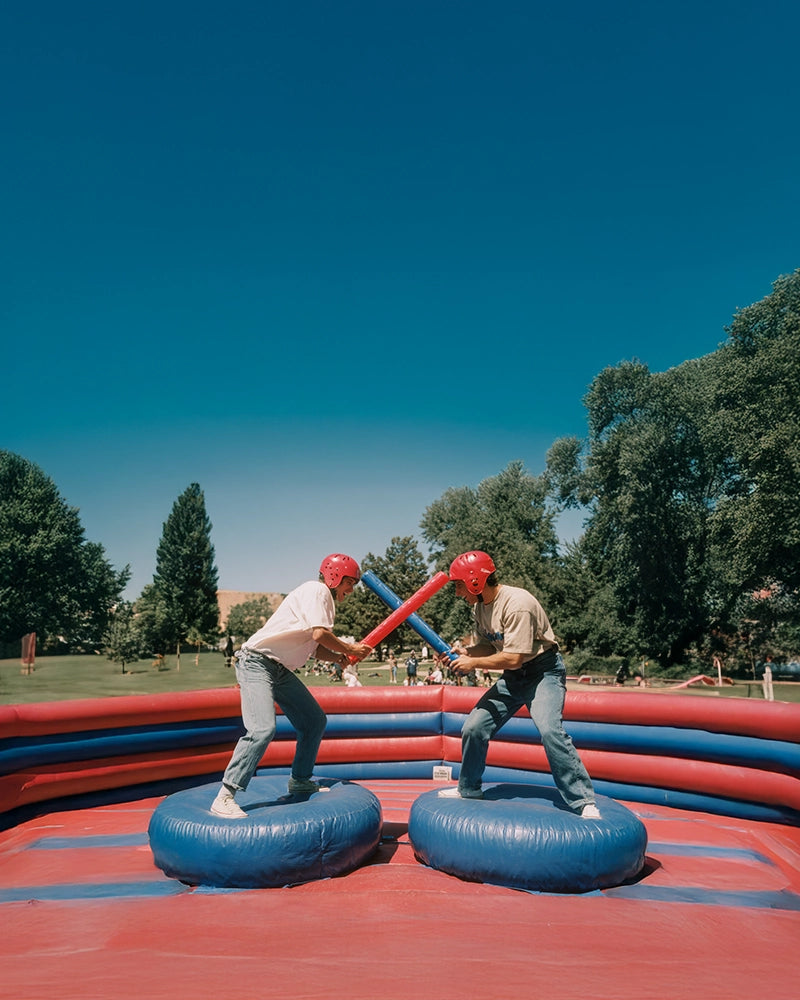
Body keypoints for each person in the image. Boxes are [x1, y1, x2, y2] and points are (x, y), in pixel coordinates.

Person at [440, 551, 601, 819]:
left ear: (475, 582)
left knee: (550, 731)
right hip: (515, 677)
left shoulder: (518, 603)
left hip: (543, 672)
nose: (458, 593)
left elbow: (514, 657)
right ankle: (469, 788)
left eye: (458, 586)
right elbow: (487, 646)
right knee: (474, 727)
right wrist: (465, 654)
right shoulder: (480, 607)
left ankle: (583, 800)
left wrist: (473, 665)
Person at [210, 554, 372, 819]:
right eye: (350, 583)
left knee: (313, 720)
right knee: (262, 729)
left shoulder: (323, 600)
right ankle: (225, 795)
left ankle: (300, 780)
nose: (351, 590)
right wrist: (350, 647)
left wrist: (340, 657)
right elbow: (320, 634)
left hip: (279, 669)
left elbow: (315, 646)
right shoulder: (317, 590)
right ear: (335, 577)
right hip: (256, 662)